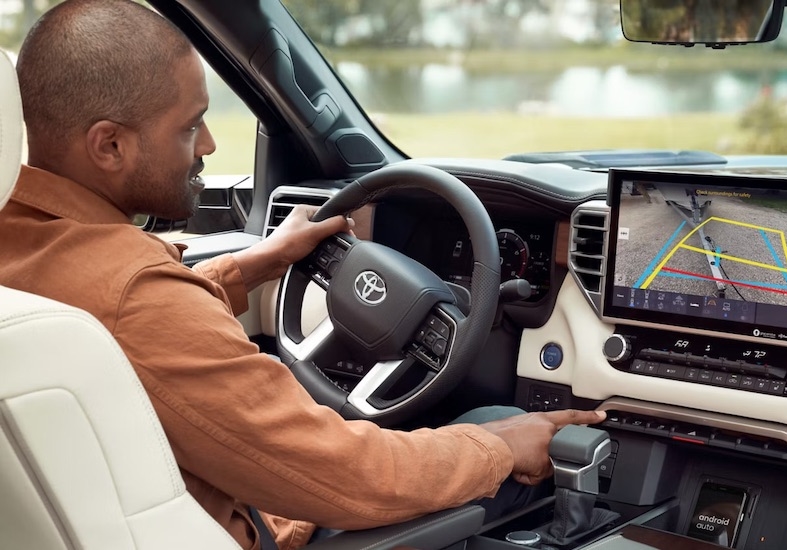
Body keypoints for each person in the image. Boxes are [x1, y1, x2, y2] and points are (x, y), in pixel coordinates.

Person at [0, 1, 605, 548]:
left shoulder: (28, 245)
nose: (208, 144)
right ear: (109, 147)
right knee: (499, 431)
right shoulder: (140, 299)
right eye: (189, 126)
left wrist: (256, 263)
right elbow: (342, 474)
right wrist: (498, 449)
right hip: (250, 527)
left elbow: (119, 326)